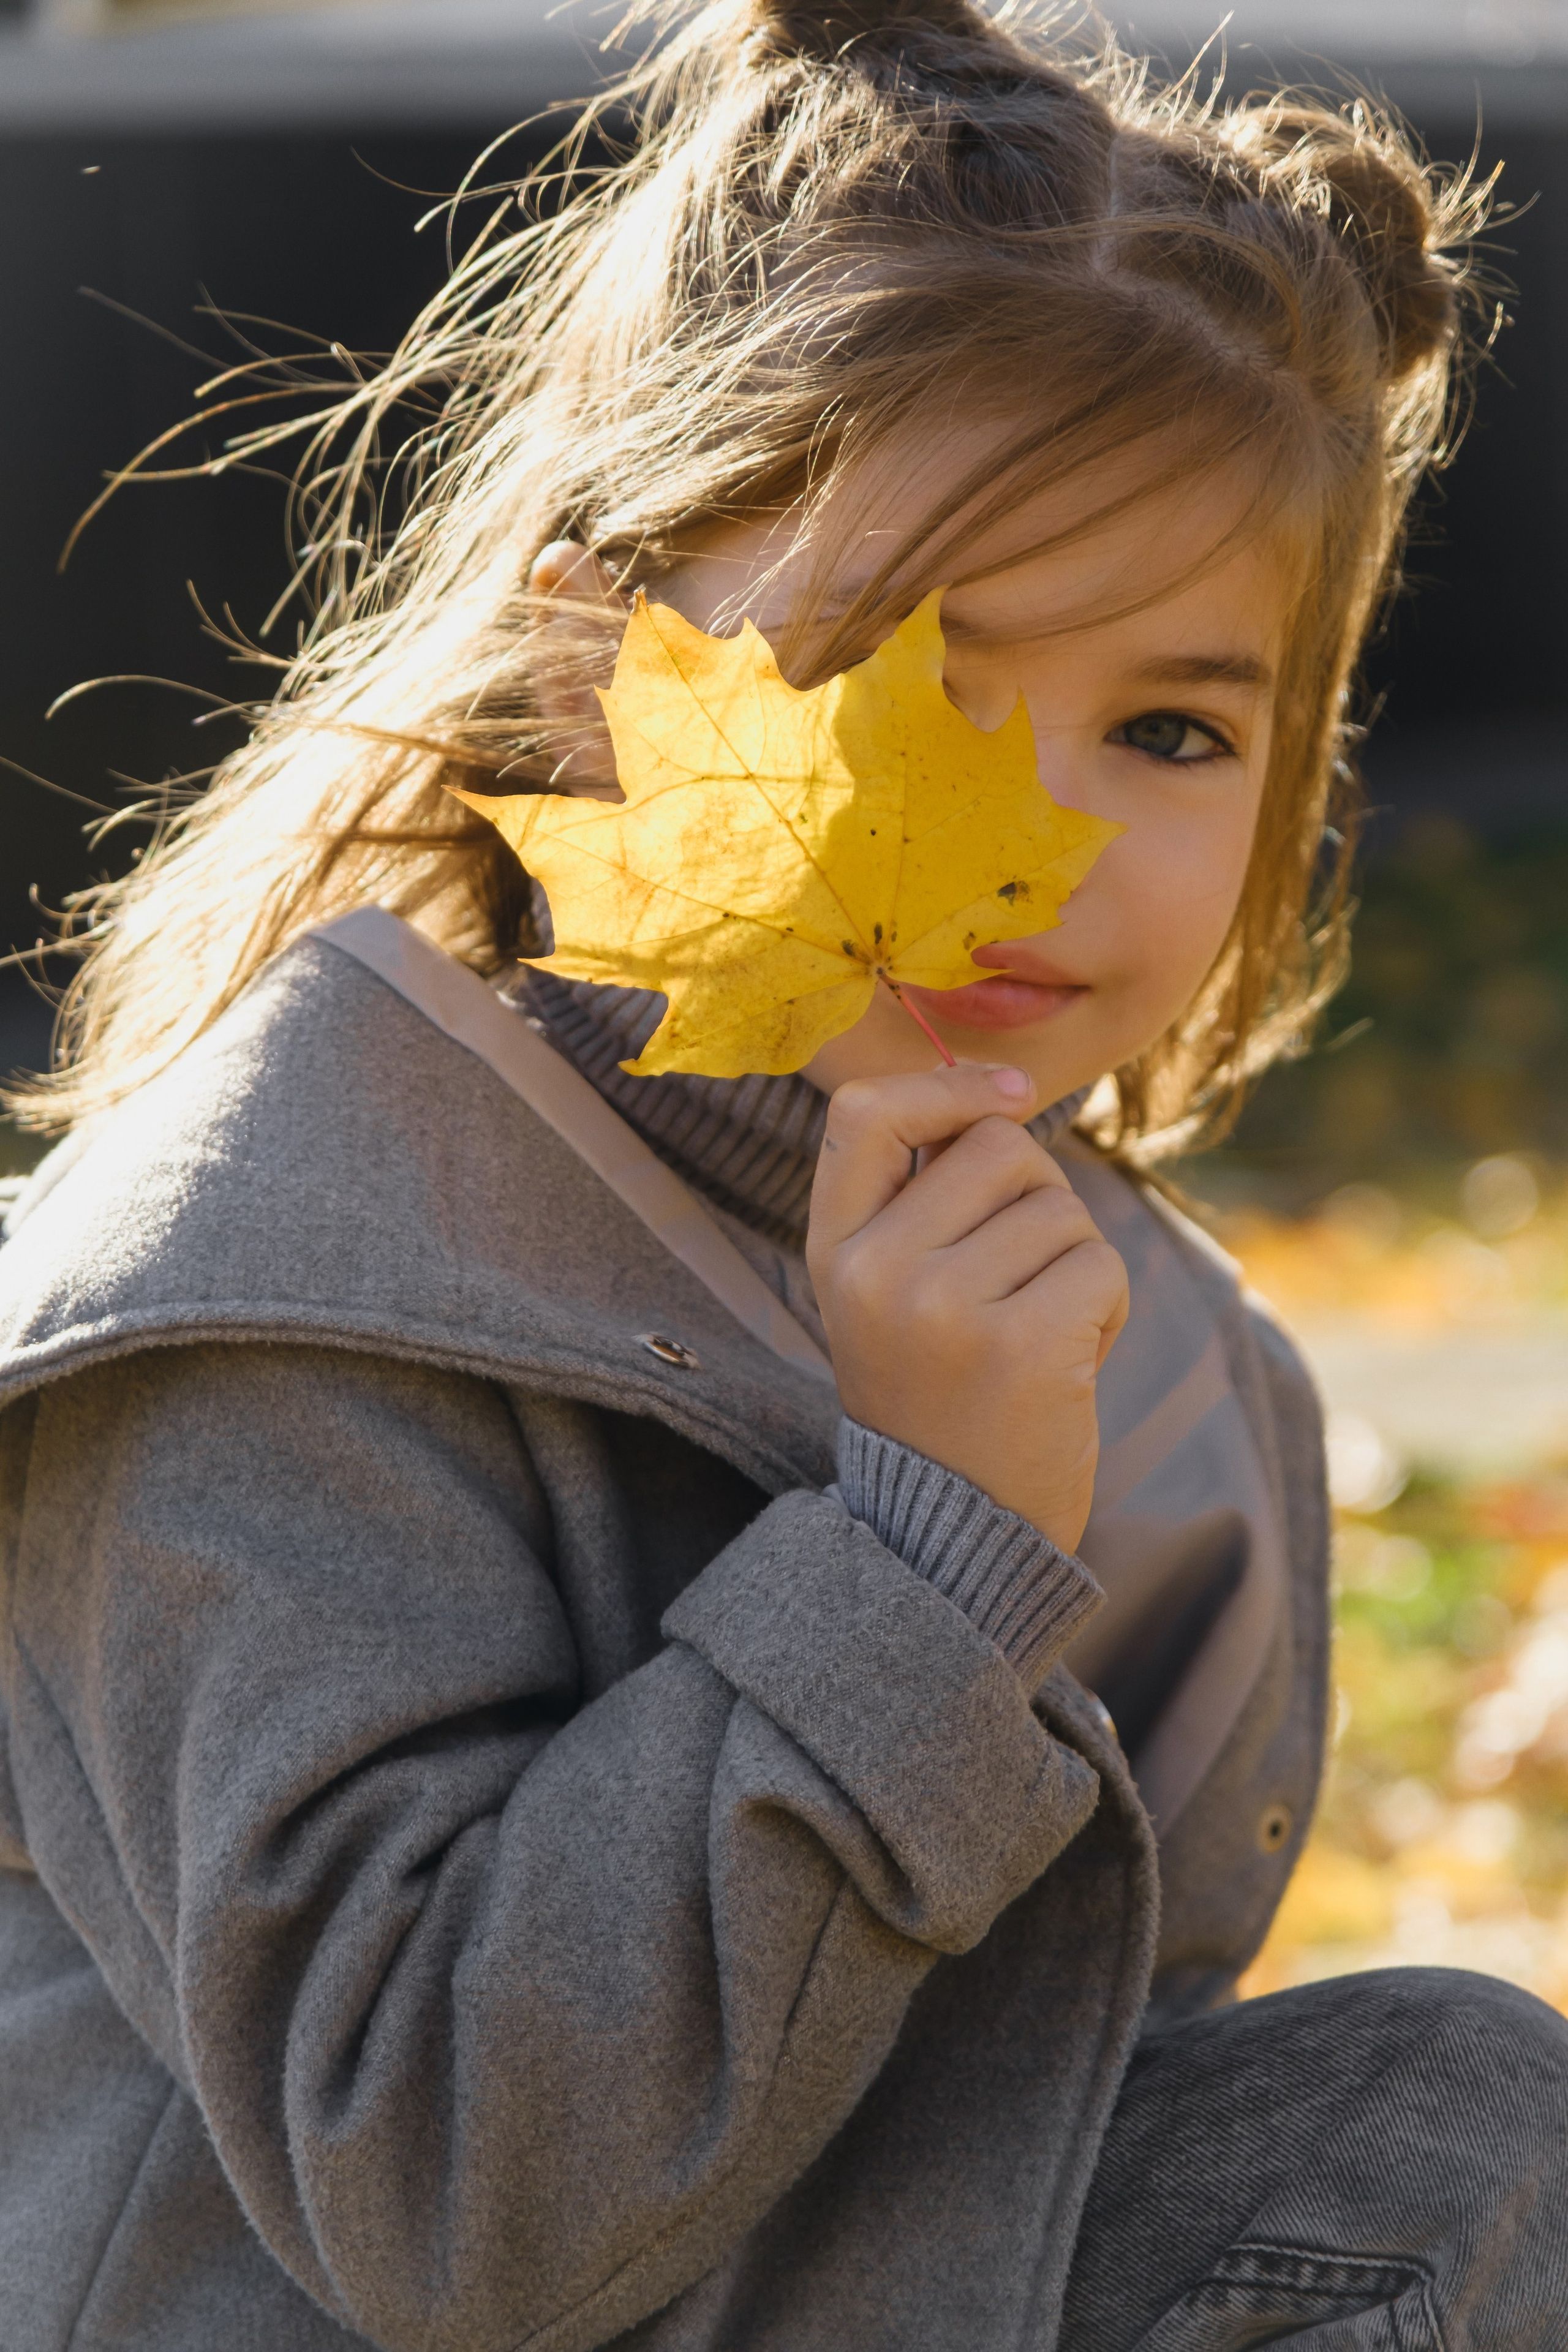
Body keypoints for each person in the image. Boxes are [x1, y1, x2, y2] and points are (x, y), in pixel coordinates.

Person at [1, 3, 1564, 2345]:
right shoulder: (282, 1292)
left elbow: (1043, 2113)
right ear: (586, 672)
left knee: (1439, 2122)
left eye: (1171, 725)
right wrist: (920, 1563)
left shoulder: (1164, 1367)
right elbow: (455, 2207)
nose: (1031, 851)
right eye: (914, 681)